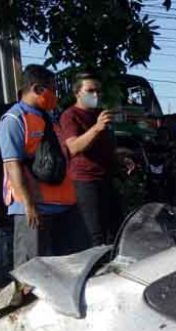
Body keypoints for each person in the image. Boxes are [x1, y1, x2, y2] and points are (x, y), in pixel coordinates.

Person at [0, 64, 85, 267]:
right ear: (37, 89)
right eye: (52, 90)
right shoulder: (14, 120)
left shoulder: (49, 118)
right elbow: (13, 165)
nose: (55, 95)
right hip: (35, 207)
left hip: (63, 206)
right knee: (31, 270)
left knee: (65, 268)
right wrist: (29, 205)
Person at [60, 72, 122, 245]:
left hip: (106, 178)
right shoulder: (70, 116)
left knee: (115, 231)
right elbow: (73, 147)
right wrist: (97, 128)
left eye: (98, 91)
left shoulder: (99, 114)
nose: (95, 95)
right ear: (77, 92)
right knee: (94, 234)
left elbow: (105, 147)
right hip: (85, 181)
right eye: (90, 90)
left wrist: (120, 158)